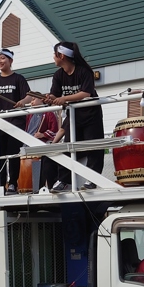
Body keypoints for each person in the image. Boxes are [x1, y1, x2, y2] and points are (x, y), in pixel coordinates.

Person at [42, 41, 103, 192]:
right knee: (68, 147)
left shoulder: (83, 71)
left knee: (93, 147)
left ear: (61, 56)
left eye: (54, 54)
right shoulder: (58, 75)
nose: (53, 58)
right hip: (74, 116)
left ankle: (93, 180)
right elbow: (55, 95)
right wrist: (49, 98)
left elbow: (86, 93)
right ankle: (63, 181)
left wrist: (64, 99)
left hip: (91, 114)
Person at [0, 48, 30, 194]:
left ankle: (13, 184)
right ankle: (1, 184)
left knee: (13, 154)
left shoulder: (18, 78)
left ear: (10, 60)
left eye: (2, 58)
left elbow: (28, 96)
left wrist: (22, 101)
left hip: (15, 122)